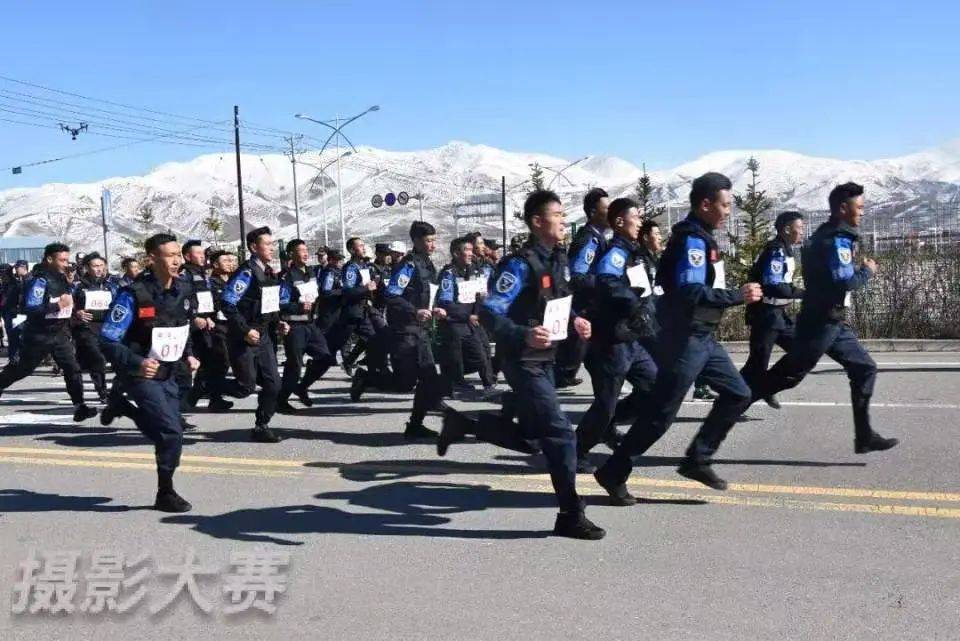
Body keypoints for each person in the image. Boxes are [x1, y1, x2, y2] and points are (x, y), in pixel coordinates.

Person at [439, 190, 604, 540]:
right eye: (557, 214)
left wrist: (576, 320)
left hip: (547, 358)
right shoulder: (518, 264)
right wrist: (524, 334)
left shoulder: (558, 258)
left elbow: (559, 299)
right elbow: (489, 311)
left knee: (532, 439)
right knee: (560, 434)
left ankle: (465, 424)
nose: (563, 220)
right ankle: (570, 513)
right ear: (537, 222)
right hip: (521, 359)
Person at [594, 173, 763, 502]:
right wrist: (736, 295)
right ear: (705, 204)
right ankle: (613, 470)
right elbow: (690, 291)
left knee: (738, 393)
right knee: (660, 416)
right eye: (725, 205)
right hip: (684, 339)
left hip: (704, 337)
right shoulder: (692, 241)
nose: (728, 211)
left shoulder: (702, 237)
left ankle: (697, 458)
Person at [751, 182, 898, 454]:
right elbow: (841, 281)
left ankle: (864, 436)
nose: (863, 213)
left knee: (864, 368)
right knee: (778, 374)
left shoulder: (807, 244)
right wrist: (867, 271)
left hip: (827, 319)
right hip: (798, 319)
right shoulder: (792, 246)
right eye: (860, 207)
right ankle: (731, 403)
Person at [100, 233, 199, 512]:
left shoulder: (183, 289)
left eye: (179, 254)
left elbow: (183, 326)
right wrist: (136, 362)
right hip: (140, 373)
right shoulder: (133, 294)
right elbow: (108, 339)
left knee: (167, 430)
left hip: (170, 371)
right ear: (151, 258)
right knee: (171, 431)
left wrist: (190, 354)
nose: (177, 260)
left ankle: (125, 408)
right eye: (170, 255)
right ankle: (165, 492)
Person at [574, 198, 658, 473]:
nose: (641, 222)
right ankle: (578, 449)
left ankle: (608, 425)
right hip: (610, 340)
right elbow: (607, 281)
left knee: (654, 387)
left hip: (631, 338)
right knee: (605, 404)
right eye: (637, 217)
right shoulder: (617, 252)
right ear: (620, 222)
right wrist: (634, 303)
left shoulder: (634, 251)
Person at [363, 221, 443, 439]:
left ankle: (415, 424)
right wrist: (415, 311)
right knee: (405, 383)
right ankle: (367, 379)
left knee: (428, 379)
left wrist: (434, 309)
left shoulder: (427, 264)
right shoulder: (408, 265)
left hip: (421, 329)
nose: (432, 245)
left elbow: (427, 293)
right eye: (428, 240)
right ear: (416, 241)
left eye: (434, 240)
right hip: (406, 329)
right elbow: (391, 294)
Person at [0, 244, 97, 421]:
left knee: (72, 368)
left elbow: (68, 302)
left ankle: (79, 406)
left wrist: (72, 302)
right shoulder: (40, 280)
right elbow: (31, 308)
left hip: (59, 332)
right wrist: (57, 305)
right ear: (49, 259)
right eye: (62, 260)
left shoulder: (62, 278)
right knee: (23, 369)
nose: (66, 264)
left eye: (67, 260)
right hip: (39, 333)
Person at [220, 227, 289, 443]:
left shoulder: (269, 273)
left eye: (272, 244)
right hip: (244, 336)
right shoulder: (246, 272)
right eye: (267, 244)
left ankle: (262, 425)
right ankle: (209, 384)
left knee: (274, 384)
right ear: (253, 247)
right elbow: (227, 302)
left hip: (264, 336)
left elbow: (269, 304)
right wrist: (245, 330)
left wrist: (279, 322)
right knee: (245, 387)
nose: (271, 248)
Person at [740, 211, 805, 407]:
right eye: (799, 227)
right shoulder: (776, 250)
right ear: (786, 229)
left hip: (779, 314)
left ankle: (767, 387)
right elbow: (773, 285)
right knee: (757, 364)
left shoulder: (786, 249)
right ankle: (732, 396)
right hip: (765, 315)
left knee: (802, 350)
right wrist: (803, 293)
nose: (802, 231)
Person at [555, 187, 610, 388]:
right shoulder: (589, 239)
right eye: (607, 209)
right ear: (594, 213)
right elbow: (577, 276)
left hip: (593, 311)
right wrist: (606, 283)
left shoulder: (599, 237)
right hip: (584, 310)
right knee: (570, 362)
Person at [434, 236, 497, 397]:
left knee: (482, 352)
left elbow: (479, 295)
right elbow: (445, 301)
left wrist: (479, 309)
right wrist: (466, 315)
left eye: (471, 250)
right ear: (456, 254)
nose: (470, 253)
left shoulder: (475, 270)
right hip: (455, 321)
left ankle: (488, 385)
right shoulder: (449, 274)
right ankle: (454, 383)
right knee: (455, 357)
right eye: (466, 250)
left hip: (472, 319)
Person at [276, 239, 331, 412]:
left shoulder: (311, 272)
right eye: (301, 250)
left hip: (310, 324)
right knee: (294, 365)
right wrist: (298, 306)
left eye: (306, 250)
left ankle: (302, 386)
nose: (305, 253)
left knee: (326, 358)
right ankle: (281, 400)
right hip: (294, 325)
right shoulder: (287, 276)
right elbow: (280, 302)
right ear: (292, 254)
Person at [71, 252, 115, 403]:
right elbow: (67, 304)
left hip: (107, 327)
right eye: (95, 266)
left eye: (102, 266)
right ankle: (103, 392)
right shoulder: (78, 287)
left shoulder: (111, 285)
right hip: (86, 328)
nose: (99, 269)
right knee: (97, 358)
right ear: (87, 268)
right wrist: (77, 312)